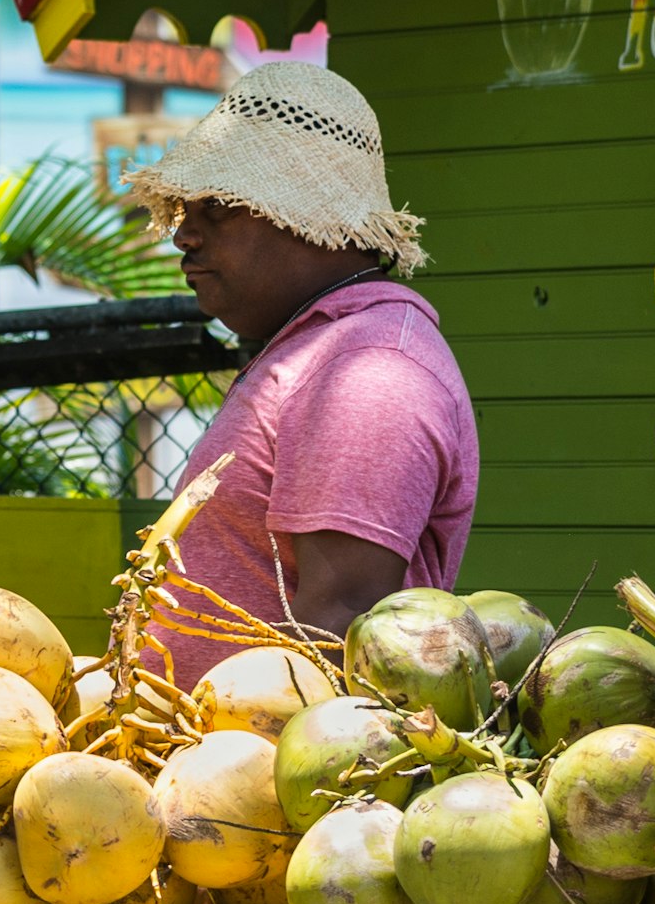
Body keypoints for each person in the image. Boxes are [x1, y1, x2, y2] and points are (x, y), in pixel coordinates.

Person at [127, 59, 479, 679]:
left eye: (221, 207)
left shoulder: (371, 370)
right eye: (186, 210)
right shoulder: (320, 348)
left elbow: (340, 633)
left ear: (311, 217)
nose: (185, 236)